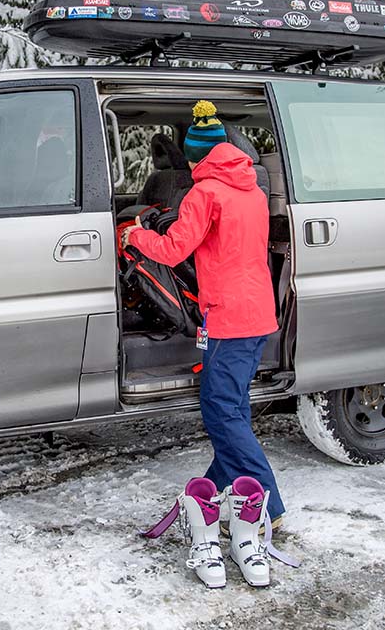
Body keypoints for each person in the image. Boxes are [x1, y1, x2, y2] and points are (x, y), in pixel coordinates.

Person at [121, 100, 284, 525]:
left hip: (228, 316)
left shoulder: (204, 193)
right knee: (232, 407)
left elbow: (174, 249)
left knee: (220, 409)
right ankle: (216, 487)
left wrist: (137, 236)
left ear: (195, 155)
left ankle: (269, 504)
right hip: (256, 312)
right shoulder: (250, 189)